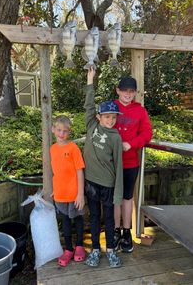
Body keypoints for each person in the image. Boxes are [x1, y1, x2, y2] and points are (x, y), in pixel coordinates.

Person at [84, 67, 123, 268]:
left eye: (114, 117)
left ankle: (110, 250)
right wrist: (90, 80)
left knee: (108, 218)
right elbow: (89, 105)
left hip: (107, 185)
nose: (111, 120)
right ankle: (95, 250)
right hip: (91, 183)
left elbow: (119, 167)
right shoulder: (91, 124)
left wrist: (118, 193)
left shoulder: (116, 138)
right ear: (99, 116)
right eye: (107, 116)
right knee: (94, 217)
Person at [113, 77, 152, 253]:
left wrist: (132, 144)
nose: (128, 94)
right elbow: (100, 127)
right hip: (111, 163)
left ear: (135, 92)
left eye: (131, 91)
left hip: (130, 162)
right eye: (125, 90)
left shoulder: (140, 111)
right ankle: (114, 230)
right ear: (118, 90)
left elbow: (147, 133)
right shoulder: (111, 107)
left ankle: (126, 231)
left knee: (127, 197)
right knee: (114, 198)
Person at [50, 115, 86, 267]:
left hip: (74, 194)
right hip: (60, 194)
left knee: (77, 220)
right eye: (58, 130)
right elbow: (56, 171)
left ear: (69, 132)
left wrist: (80, 194)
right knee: (64, 221)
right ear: (53, 130)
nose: (61, 134)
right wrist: (54, 190)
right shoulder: (52, 149)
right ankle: (68, 249)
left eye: (65, 131)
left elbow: (79, 171)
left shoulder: (73, 148)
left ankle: (79, 246)